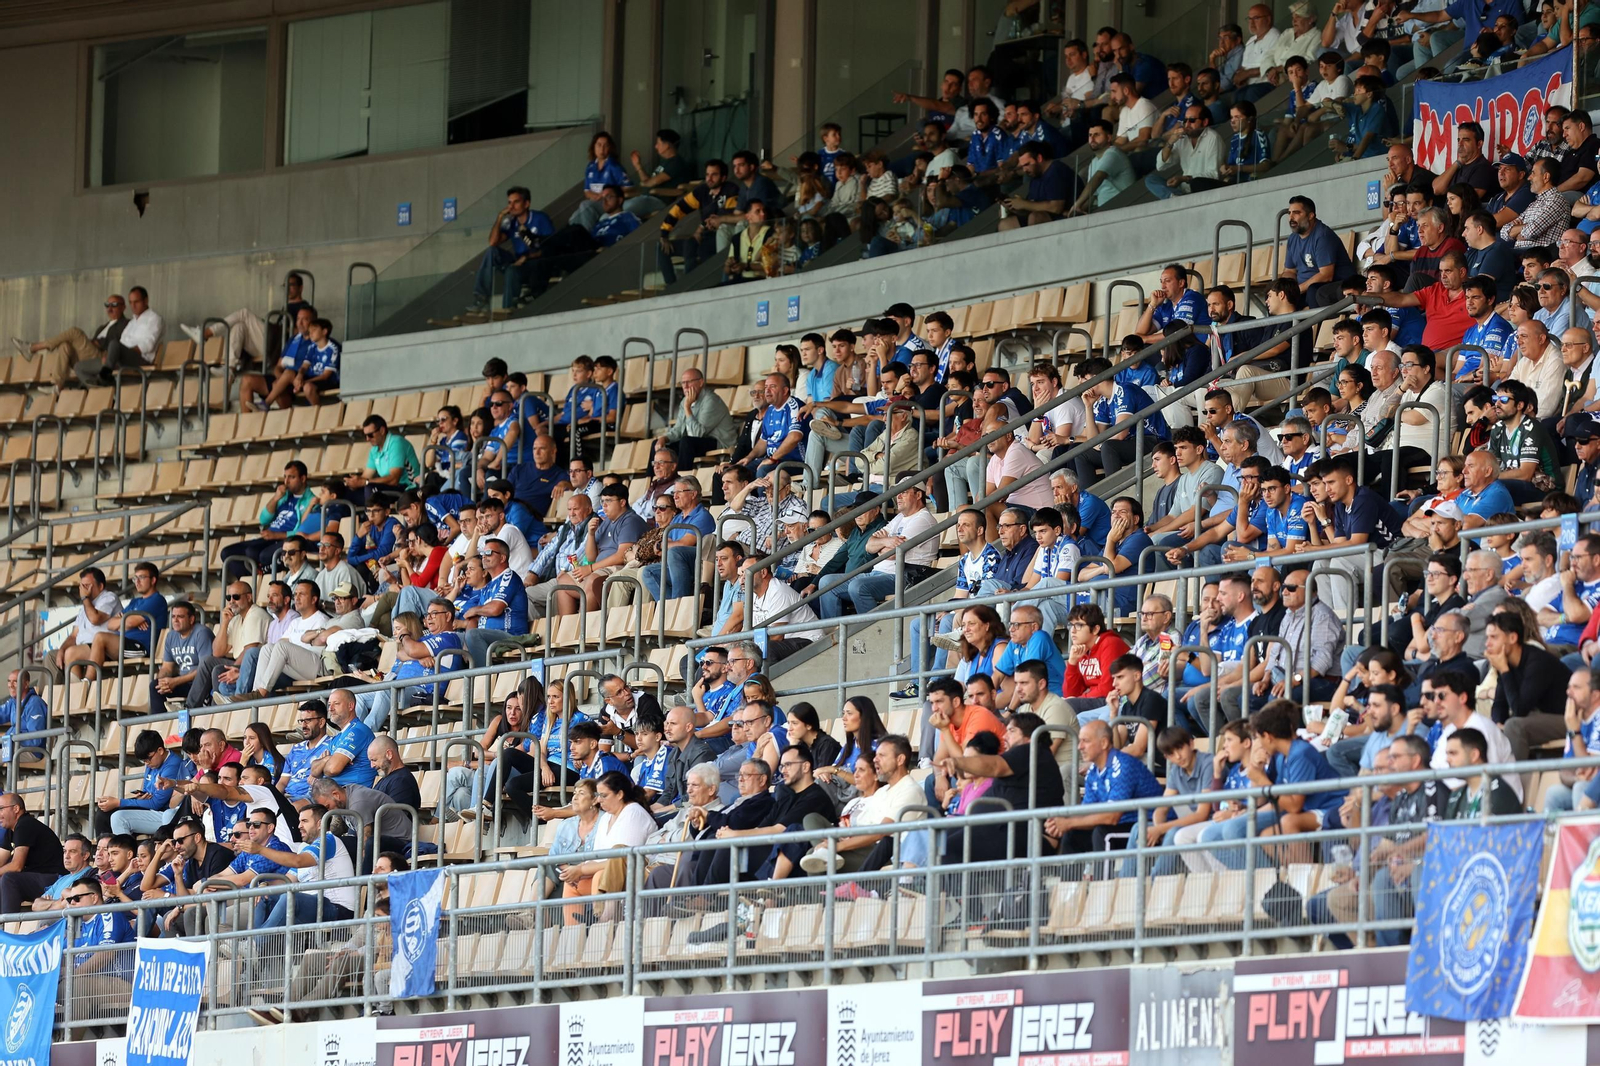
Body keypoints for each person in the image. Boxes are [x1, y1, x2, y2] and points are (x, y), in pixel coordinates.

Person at [1047, 720, 1164, 857]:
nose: (1080, 747)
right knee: (1073, 834)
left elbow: (1112, 817)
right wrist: (1058, 823)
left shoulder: (1123, 765)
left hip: (1149, 826)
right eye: (1079, 741)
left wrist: (1069, 823)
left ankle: (1102, 872)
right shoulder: (1093, 771)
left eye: (1085, 741)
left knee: (1102, 832)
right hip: (1121, 825)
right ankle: (1071, 872)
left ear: (1103, 743)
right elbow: (1087, 811)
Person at [0, 793, 66, 914]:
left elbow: (16, 866)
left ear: (16, 808)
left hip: (54, 880)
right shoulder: (11, 831)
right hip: (36, 879)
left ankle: (8, 924)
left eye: (1, 809)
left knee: (9, 879)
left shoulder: (25, 825)